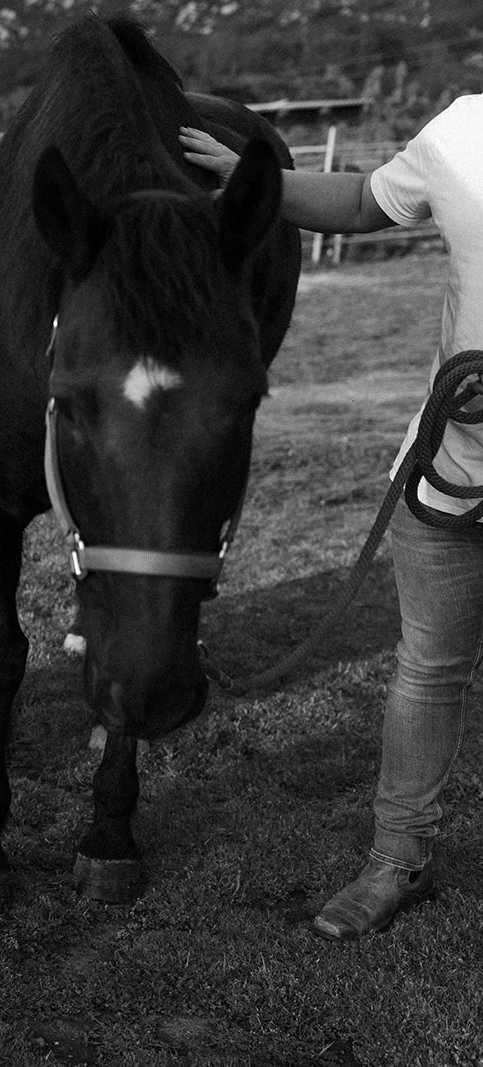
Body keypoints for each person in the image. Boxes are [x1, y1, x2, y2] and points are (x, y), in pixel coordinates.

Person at [181, 95, 483, 940]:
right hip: (447, 471)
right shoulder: (463, 129)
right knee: (428, 669)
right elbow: (360, 203)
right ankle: (396, 861)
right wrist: (253, 178)